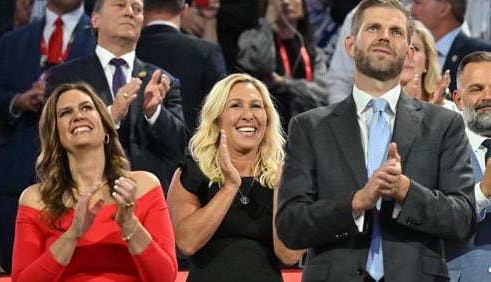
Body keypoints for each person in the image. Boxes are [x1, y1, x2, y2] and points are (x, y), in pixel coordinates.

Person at [276, 1, 476, 281]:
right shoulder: (309, 127)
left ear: (408, 53)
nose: (384, 36)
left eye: (395, 31)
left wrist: (407, 191)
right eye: (373, 28)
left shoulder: (444, 125)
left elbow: (463, 220)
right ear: (349, 45)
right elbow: (290, 226)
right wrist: (356, 203)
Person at [11, 82, 177, 281]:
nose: (78, 116)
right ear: (56, 134)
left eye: (86, 108)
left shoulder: (143, 187)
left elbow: (165, 277)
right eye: (65, 113)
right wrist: (72, 235)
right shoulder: (36, 200)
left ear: (106, 126)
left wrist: (129, 224)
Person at [167, 73, 304, 282]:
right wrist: (230, 186)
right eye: (236, 105)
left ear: (267, 119)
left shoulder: (285, 176)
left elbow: (289, 255)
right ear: (217, 117)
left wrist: (280, 190)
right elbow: (186, 243)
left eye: (256, 106)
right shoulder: (192, 173)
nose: (248, 115)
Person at [0, 0, 95, 272]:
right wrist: (17, 100)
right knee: (16, 267)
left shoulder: (98, 36)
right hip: (14, 169)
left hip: (76, 178)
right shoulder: (12, 40)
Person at [46, 0, 189, 193]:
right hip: (85, 193)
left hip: (145, 198)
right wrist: (111, 114)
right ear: (95, 20)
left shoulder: (162, 80)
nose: (129, 12)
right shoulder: (64, 77)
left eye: (137, 9)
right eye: (120, 5)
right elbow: (51, 136)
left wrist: (154, 113)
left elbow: (180, 149)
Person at [237, 0, 327, 131]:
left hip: (308, 131)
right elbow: (263, 64)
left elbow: (324, 94)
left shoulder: (312, 51)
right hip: (267, 130)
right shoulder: (250, 40)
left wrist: (286, 83)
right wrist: (268, 22)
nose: (285, 2)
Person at [137, 0, 226, 132]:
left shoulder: (126, 49)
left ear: (141, 11)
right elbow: (221, 109)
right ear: (184, 11)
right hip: (192, 149)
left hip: (132, 150)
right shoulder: (207, 52)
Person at [449, 51, 491, 282]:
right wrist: (482, 192)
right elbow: (429, 220)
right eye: (476, 89)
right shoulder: (437, 150)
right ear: (457, 99)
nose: (488, 96)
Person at [410, 0, 491, 93]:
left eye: (418, 3)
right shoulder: (408, 51)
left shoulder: (483, 53)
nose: (412, 11)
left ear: (443, 9)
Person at [399, 20, 458, 111]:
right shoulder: (379, 108)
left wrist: (432, 111)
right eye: (402, 47)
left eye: (415, 48)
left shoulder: (450, 110)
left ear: (427, 62)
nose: (408, 54)